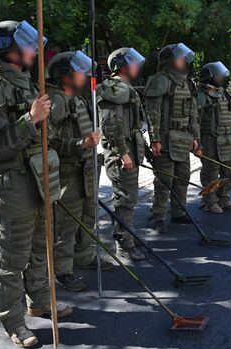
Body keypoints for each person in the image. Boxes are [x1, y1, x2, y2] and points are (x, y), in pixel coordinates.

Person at [0, 20, 72, 348]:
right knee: (11, 258)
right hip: (14, 184)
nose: (35, 50)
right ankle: (12, 319)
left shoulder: (29, 85)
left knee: (41, 247)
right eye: (28, 43)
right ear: (6, 47)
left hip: (40, 179)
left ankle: (39, 300)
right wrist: (30, 119)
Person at [46, 51, 113, 292]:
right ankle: (62, 271)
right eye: (78, 72)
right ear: (64, 75)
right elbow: (45, 142)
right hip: (67, 173)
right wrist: (79, 144)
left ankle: (84, 256)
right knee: (67, 224)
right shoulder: (54, 101)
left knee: (88, 215)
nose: (84, 76)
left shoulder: (77, 98)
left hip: (86, 169)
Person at [144, 43, 201, 233]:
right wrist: (155, 139)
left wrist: (195, 137)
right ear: (169, 60)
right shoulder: (161, 80)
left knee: (183, 177)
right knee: (164, 181)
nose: (184, 61)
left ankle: (179, 212)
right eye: (180, 57)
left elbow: (193, 114)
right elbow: (153, 112)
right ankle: (158, 215)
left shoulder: (188, 83)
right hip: (166, 138)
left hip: (183, 138)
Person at [97, 47, 147, 261]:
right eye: (133, 62)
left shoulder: (125, 88)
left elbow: (134, 123)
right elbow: (111, 125)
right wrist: (123, 153)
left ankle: (127, 238)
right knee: (125, 199)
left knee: (129, 198)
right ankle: (124, 246)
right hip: (121, 153)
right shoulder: (114, 89)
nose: (137, 66)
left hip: (130, 150)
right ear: (123, 66)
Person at [197, 61, 231, 214]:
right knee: (211, 175)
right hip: (210, 141)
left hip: (226, 140)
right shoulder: (202, 95)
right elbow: (195, 120)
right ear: (210, 76)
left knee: (230, 173)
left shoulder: (223, 93)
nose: (221, 78)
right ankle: (210, 202)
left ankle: (224, 199)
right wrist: (197, 143)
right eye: (218, 75)